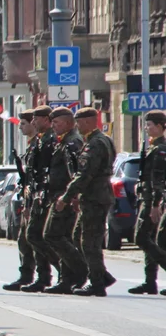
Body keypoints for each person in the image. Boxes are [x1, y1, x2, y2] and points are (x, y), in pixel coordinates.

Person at [58, 107, 118, 296]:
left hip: (95, 197)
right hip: (95, 196)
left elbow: (84, 175)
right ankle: (101, 275)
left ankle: (97, 283)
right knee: (79, 237)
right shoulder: (103, 140)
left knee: (90, 242)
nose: (77, 126)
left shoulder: (95, 143)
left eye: (79, 122)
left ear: (88, 121)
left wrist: (67, 197)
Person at [42, 107, 86, 294]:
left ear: (68, 123)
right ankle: (66, 280)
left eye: (57, 123)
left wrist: (72, 196)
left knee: (52, 235)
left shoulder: (73, 142)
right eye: (52, 123)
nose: (53, 126)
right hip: (59, 195)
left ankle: (83, 270)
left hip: (65, 196)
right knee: (62, 237)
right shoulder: (63, 141)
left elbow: (76, 172)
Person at [22, 105, 60, 292]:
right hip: (37, 195)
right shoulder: (38, 141)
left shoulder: (52, 141)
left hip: (47, 195)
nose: (33, 122)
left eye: (36, 119)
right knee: (33, 235)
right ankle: (43, 276)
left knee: (39, 235)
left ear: (46, 120)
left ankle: (66, 270)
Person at [4, 111, 40, 291]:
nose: (20, 127)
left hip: (39, 198)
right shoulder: (31, 145)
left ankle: (60, 274)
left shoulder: (40, 144)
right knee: (24, 239)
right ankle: (26, 275)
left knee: (38, 238)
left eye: (24, 123)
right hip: (29, 197)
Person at [131, 110, 166, 294]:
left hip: (152, 200)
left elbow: (158, 180)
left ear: (160, 126)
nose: (146, 128)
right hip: (146, 197)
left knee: (142, 237)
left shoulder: (161, 149)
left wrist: (155, 204)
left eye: (149, 125)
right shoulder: (152, 146)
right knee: (149, 239)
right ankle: (150, 281)